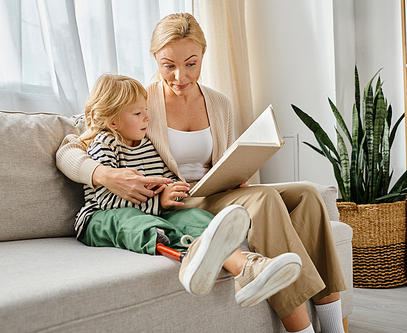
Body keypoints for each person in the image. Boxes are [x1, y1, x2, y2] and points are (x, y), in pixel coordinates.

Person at [57, 13, 347, 333]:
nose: (180, 75)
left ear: (203, 57)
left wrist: (237, 172)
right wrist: (103, 175)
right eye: (169, 65)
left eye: (191, 64)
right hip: (182, 199)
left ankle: (336, 326)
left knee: (307, 193)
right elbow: (72, 147)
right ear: (155, 58)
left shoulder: (219, 103)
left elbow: (222, 159)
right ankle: (301, 329)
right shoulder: (139, 101)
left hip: (217, 190)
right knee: (264, 199)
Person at [70, 72, 302, 303]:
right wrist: (157, 202)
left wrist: (171, 192)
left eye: (146, 110)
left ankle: (247, 270)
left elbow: (162, 179)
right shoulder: (104, 144)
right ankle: (188, 256)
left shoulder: (147, 143)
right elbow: (107, 202)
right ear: (112, 121)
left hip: (151, 210)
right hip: (100, 218)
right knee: (140, 222)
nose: (147, 118)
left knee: (196, 216)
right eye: (138, 113)